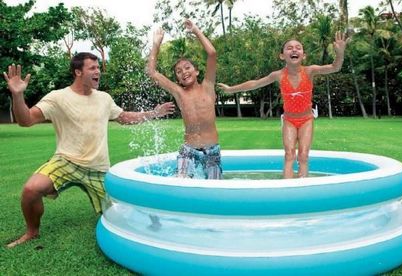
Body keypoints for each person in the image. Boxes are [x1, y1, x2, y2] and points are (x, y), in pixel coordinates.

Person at [3, 52, 175, 248]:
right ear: (78, 72)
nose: (98, 72)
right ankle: (32, 232)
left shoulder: (104, 98)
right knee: (31, 190)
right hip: (65, 161)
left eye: (98, 68)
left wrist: (153, 113)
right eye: (92, 68)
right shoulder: (58, 97)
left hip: (98, 168)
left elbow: (124, 117)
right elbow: (26, 121)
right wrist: (18, 95)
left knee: (123, 215)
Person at [218, 32, 349, 178]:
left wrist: (340, 53)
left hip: (306, 119)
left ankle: (303, 187)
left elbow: (335, 67)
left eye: (298, 48)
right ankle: (287, 188)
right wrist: (231, 89)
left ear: (303, 55)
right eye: (289, 48)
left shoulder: (310, 71)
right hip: (289, 120)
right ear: (282, 56)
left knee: (304, 155)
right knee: (289, 154)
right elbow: (255, 84)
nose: (294, 50)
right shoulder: (278, 75)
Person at [147, 19, 222, 179]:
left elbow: (212, 53)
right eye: (179, 71)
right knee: (181, 185)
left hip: (212, 152)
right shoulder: (179, 93)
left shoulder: (208, 86)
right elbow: (152, 72)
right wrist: (156, 45)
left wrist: (195, 30)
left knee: (214, 191)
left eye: (187, 68)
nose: (184, 72)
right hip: (189, 151)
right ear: (177, 79)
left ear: (196, 72)